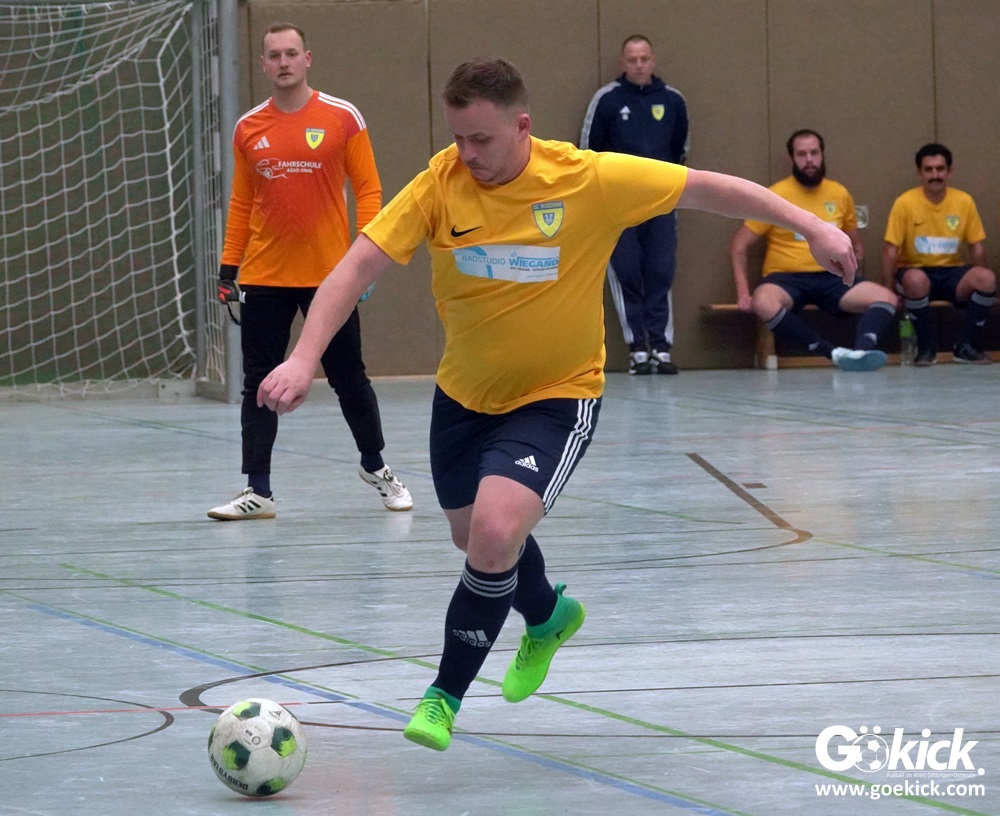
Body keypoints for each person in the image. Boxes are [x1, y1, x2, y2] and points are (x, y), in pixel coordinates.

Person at [258, 58, 857, 751]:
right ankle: (546, 616)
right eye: (457, 138)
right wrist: (303, 357)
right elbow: (356, 266)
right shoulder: (440, 185)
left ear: (522, 126)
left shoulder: (588, 179)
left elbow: (709, 189)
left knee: (493, 533)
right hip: (463, 396)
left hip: (557, 396)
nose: (467, 153)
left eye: (481, 139)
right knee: (474, 538)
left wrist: (811, 226)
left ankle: (442, 697)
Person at [207, 22, 411, 520]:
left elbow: (369, 191)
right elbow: (241, 204)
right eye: (274, 55)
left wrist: (364, 262)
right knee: (259, 383)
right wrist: (228, 269)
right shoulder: (248, 127)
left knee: (349, 378)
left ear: (307, 59)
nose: (283, 62)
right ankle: (258, 490)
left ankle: (376, 466)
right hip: (263, 277)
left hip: (329, 277)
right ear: (263, 64)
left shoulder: (343, 117)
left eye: (291, 53)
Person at [730, 129, 896, 371]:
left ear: (822, 154)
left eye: (814, 153)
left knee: (886, 298)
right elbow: (739, 245)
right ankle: (833, 354)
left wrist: (852, 272)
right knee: (763, 302)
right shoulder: (775, 195)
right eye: (802, 154)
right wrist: (743, 293)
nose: (809, 160)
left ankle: (861, 353)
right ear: (792, 158)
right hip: (785, 279)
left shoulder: (839, 193)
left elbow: (856, 245)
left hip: (832, 278)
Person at [580, 35, 689, 375]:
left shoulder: (672, 100)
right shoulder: (607, 99)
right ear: (622, 63)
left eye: (644, 58)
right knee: (626, 270)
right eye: (632, 59)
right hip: (618, 204)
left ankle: (661, 347)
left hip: (661, 200)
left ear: (653, 60)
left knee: (660, 270)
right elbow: (588, 151)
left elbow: (680, 149)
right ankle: (637, 349)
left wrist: (666, 185)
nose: (639, 65)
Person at [882, 142, 996, 366]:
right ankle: (926, 349)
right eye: (928, 169)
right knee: (916, 280)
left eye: (940, 169)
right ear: (919, 173)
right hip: (915, 272)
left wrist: (980, 281)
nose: (935, 175)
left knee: (987, 279)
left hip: (952, 273)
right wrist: (887, 289)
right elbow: (890, 250)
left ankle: (965, 347)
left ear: (949, 172)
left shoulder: (964, 201)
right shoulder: (904, 203)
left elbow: (977, 247)